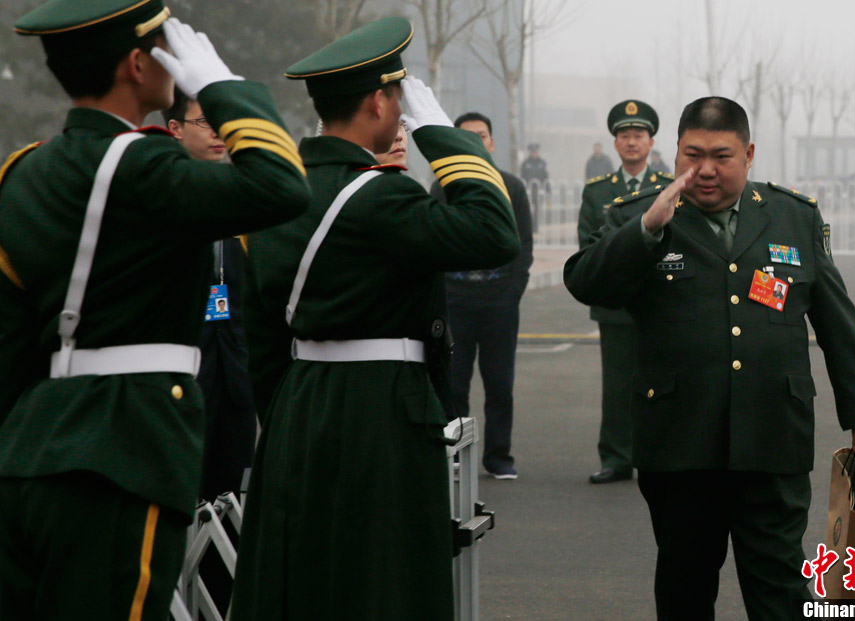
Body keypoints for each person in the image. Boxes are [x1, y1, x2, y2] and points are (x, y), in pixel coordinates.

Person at [0, 4, 309, 619]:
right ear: (139, 64)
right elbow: (282, 185)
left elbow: (10, 342)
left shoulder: (23, 172)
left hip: (29, 448)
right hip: (126, 450)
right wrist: (223, 89)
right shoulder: (145, 167)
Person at [230, 17, 519, 620]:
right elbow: (495, 232)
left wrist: (286, 416)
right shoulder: (381, 196)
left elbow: (261, 337)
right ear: (382, 100)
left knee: (306, 576)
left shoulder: (280, 194)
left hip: (296, 408)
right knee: (385, 579)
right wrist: (442, 133)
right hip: (382, 412)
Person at [565, 96, 855, 620]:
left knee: (779, 581)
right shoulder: (639, 216)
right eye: (693, 156)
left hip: (772, 435)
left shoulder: (791, 215)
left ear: (749, 153)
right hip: (679, 441)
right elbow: (585, 282)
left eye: (722, 156)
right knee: (685, 582)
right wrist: (646, 230)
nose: (705, 170)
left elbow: (834, 314)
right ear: (675, 153)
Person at [163, 86, 257, 616]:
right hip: (179, 385)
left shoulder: (239, 194)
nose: (220, 133)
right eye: (205, 123)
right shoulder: (164, 196)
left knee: (230, 504)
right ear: (175, 129)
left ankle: (220, 602)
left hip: (234, 382)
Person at [429, 111, 534, 480]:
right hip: (455, 301)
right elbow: (434, 244)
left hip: (499, 302)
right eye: (467, 137)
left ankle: (499, 457)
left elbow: (524, 249)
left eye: (482, 136)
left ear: (492, 142)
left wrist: (512, 291)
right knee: (454, 384)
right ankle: (455, 455)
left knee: (500, 384)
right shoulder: (443, 188)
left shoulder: (512, 187)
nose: (477, 142)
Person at [577, 99, 671, 485]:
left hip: (660, 304)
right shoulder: (598, 191)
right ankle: (616, 457)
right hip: (615, 304)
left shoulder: (667, 188)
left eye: (639, 135)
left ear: (651, 143)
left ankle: (660, 455)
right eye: (624, 135)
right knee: (617, 385)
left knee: (662, 384)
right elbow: (589, 245)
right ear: (615, 144)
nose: (632, 142)